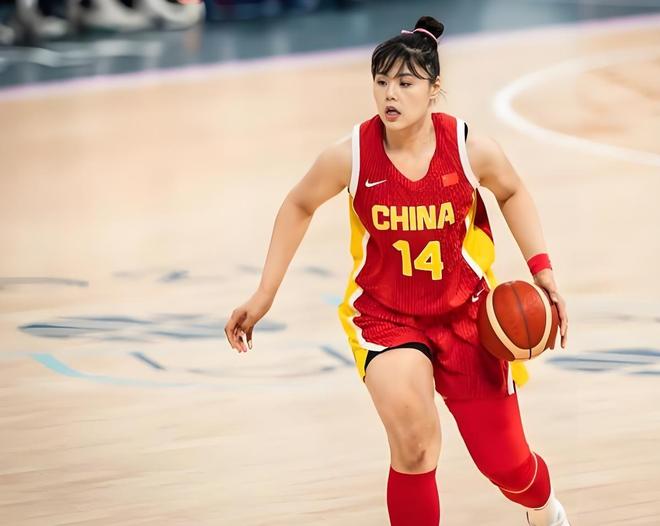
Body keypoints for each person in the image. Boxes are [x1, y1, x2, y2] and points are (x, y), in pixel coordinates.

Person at [224, 15, 570, 526]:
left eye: (406, 83)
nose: (390, 93)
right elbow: (298, 204)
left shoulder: (468, 149)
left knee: (508, 466)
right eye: (382, 81)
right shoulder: (352, 155)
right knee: (414, 443)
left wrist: (543, 271)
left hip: (466, 315)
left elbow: (512, 191)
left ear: (434, 90)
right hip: (386, 317)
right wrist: (264, 293)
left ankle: (544, 511)